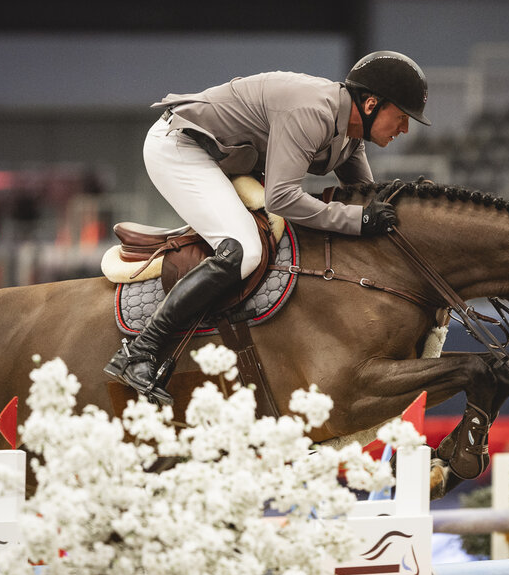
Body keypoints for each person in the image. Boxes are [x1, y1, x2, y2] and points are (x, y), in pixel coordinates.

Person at [104, 51, 431, 404]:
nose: (405, 128)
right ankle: (139, 351)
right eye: (400, 116)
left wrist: (407, 208)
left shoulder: (351, 133)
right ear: (370, 104)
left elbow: (365, 202)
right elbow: (283, 198)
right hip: (180, 147)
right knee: (244, 250)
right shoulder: (313, 111)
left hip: (222, 159)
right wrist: (359, 220)